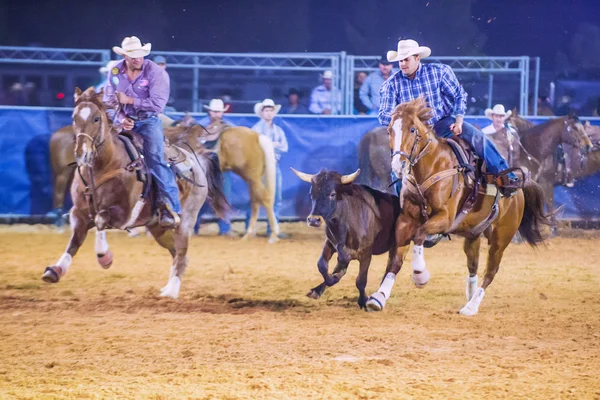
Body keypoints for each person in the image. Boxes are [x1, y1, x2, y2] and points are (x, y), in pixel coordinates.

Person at [378, 39, 518, 193]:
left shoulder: (439, 72)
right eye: (400, 60)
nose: (403, 64)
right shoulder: (391, 84)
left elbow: (459, 95)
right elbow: (383, 115)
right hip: (413, 134)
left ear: (418, 58)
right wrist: (404, 118)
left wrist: (458, 120)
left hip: (442, 124)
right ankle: (402, 205)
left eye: (406, 59)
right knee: (397, 168)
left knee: (477, 138)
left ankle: (505, 175)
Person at [103, 36, 180, 228]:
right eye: (132, 55)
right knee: (103, 152)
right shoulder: (115, 71)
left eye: (140, 54)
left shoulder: (155, 72)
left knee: (156, 159)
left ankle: (171, 207)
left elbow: (157, 104)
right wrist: (121, 118)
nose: (137, 58)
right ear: (125, 56)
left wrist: (129, 100)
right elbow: (109, 100)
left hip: (148, 122)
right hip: (123, 121)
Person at [194, 98, 236, 237]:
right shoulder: (201, 127)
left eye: (219, 112)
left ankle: (225, 229)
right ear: (210, 112)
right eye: (214, 112)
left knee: (224, 198)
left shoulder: (229, 128)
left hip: (223, 169)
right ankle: (193, 227)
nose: (217, 114)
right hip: (204, 169)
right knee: (199, 198)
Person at [248, 99, 289, 238]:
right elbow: (254, 148)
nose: (269, 113)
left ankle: (272, 228)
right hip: (259, 169)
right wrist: (273, 145)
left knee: (276, 197)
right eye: (266, 110)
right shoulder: (256, 129)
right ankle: (251, 227)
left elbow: (284, 147)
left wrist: (272, 147)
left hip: (273, 166)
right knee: (256, 197)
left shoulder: (278, 130)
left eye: (271, 110)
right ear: (262, 112)